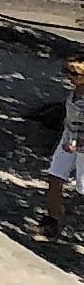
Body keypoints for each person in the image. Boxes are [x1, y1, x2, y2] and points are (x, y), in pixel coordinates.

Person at [45, 58, 84, 245]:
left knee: (82, 189)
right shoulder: (74, 93)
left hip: (81, 146)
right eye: (67, 72)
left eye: (75, 74)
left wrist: (78, 146)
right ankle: (52, 220)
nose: (70, 77)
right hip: (68, 140)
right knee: (54, 176)